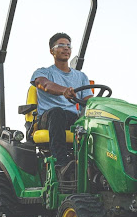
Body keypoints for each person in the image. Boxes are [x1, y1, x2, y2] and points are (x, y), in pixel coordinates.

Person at [30, 32, 93, 173]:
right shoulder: (43, 72)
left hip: (71, 118)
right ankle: (61, 163)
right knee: (57, 112)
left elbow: (87, 100)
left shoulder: (81, 76)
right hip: (48, 118)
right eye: (61, 45)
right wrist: (64, 90)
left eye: (69, 46)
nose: (66, 48)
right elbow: (44, 85)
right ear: (52, 51)